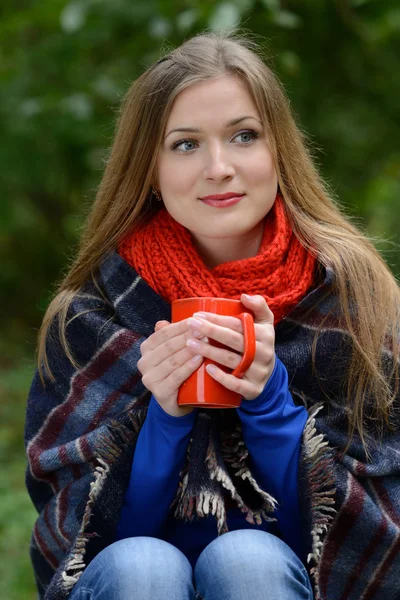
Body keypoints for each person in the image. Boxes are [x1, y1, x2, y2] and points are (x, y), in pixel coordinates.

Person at [24, 31, 400, 600]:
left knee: (248, 560)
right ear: (149, 169)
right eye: (185, 144)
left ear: (279, 152)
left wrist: (269, 402)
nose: (218, 167)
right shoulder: (90, 315)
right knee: (140, 567)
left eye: (243, 136)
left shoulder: (356, 301)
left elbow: (368, 540)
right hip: (130, 583)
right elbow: (78, 546)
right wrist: (164, 417)